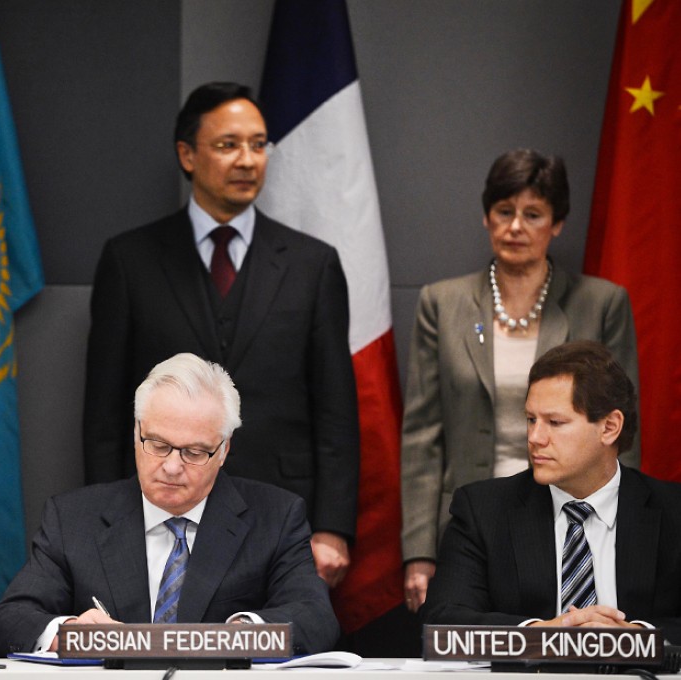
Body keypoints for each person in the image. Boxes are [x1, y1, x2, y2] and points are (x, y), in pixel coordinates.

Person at [83, 82, 359, 588]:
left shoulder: (312, 264)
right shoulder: (130, 261)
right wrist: (108, 521)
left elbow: (336, 412)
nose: (248, 160)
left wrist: (333, 528)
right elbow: (104, 416)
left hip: (283, 516)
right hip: (158, 515)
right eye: (228, 145)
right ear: (187, 154)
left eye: (259, 144)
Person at [401, 149, 639, 613]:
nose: (515, 227)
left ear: (557, 224)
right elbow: (422, 437)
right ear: (487, 217)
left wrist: (625, 537)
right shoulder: (442, 303)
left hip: (571, 518)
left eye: (533, 214)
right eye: (504, 212)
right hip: (470, 527)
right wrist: (419, 552)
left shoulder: (602, 302)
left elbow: (622, 433)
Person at [0, 353, 339, 656]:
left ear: (224, 449)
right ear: (137, 432)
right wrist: (71, 633)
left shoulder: (275, 518)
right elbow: (6, 620)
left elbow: (316, 618)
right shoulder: (74, 519)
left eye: (194, 452)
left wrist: (240, 635)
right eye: (157, 444)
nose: (171, 466)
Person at [422, 341, 681, 643]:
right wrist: (542, 636)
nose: (534, 437)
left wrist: (634, 639)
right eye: (531, 420)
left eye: (555, 422)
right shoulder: (483, 510)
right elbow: (443, 622)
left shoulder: (673, 512)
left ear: (609, 427)